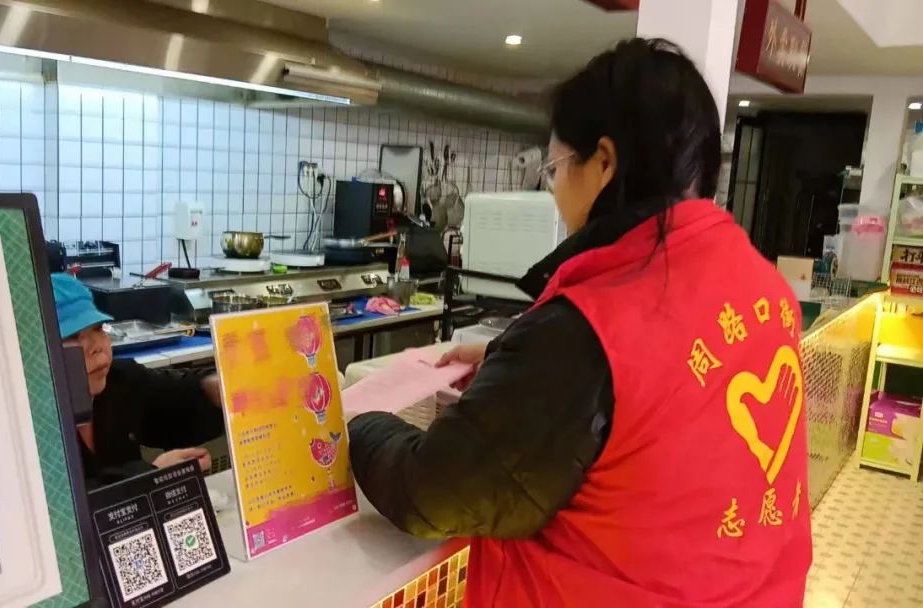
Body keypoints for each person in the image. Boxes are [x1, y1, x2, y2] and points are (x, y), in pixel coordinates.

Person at [348, 38, 812, 607]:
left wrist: (359, 424)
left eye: (554, 169)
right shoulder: (762, 282)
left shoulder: (589, 328)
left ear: (604, 163)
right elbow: (666, 403)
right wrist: (511, 362)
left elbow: (436, 494)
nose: (554, 192)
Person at [51, 273, 226, 488]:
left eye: (98, 328)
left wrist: (212, 389)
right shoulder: (32, 425)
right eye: (72, 336)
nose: (96, 346)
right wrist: (151, 474)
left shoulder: (120, 381)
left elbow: (173, 403)